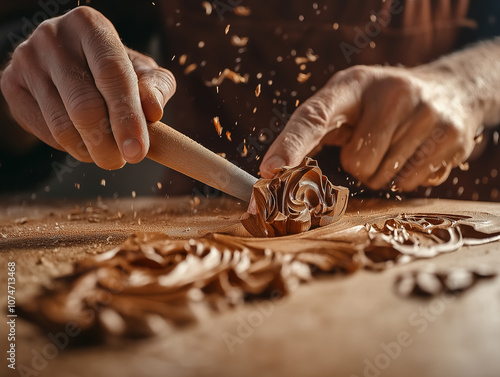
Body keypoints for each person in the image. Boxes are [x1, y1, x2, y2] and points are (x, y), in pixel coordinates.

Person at [1, 0, 499, 200]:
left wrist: (469, 83)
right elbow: (42, 54)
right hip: (199, 244)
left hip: (447, 237)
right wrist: (27, 95)